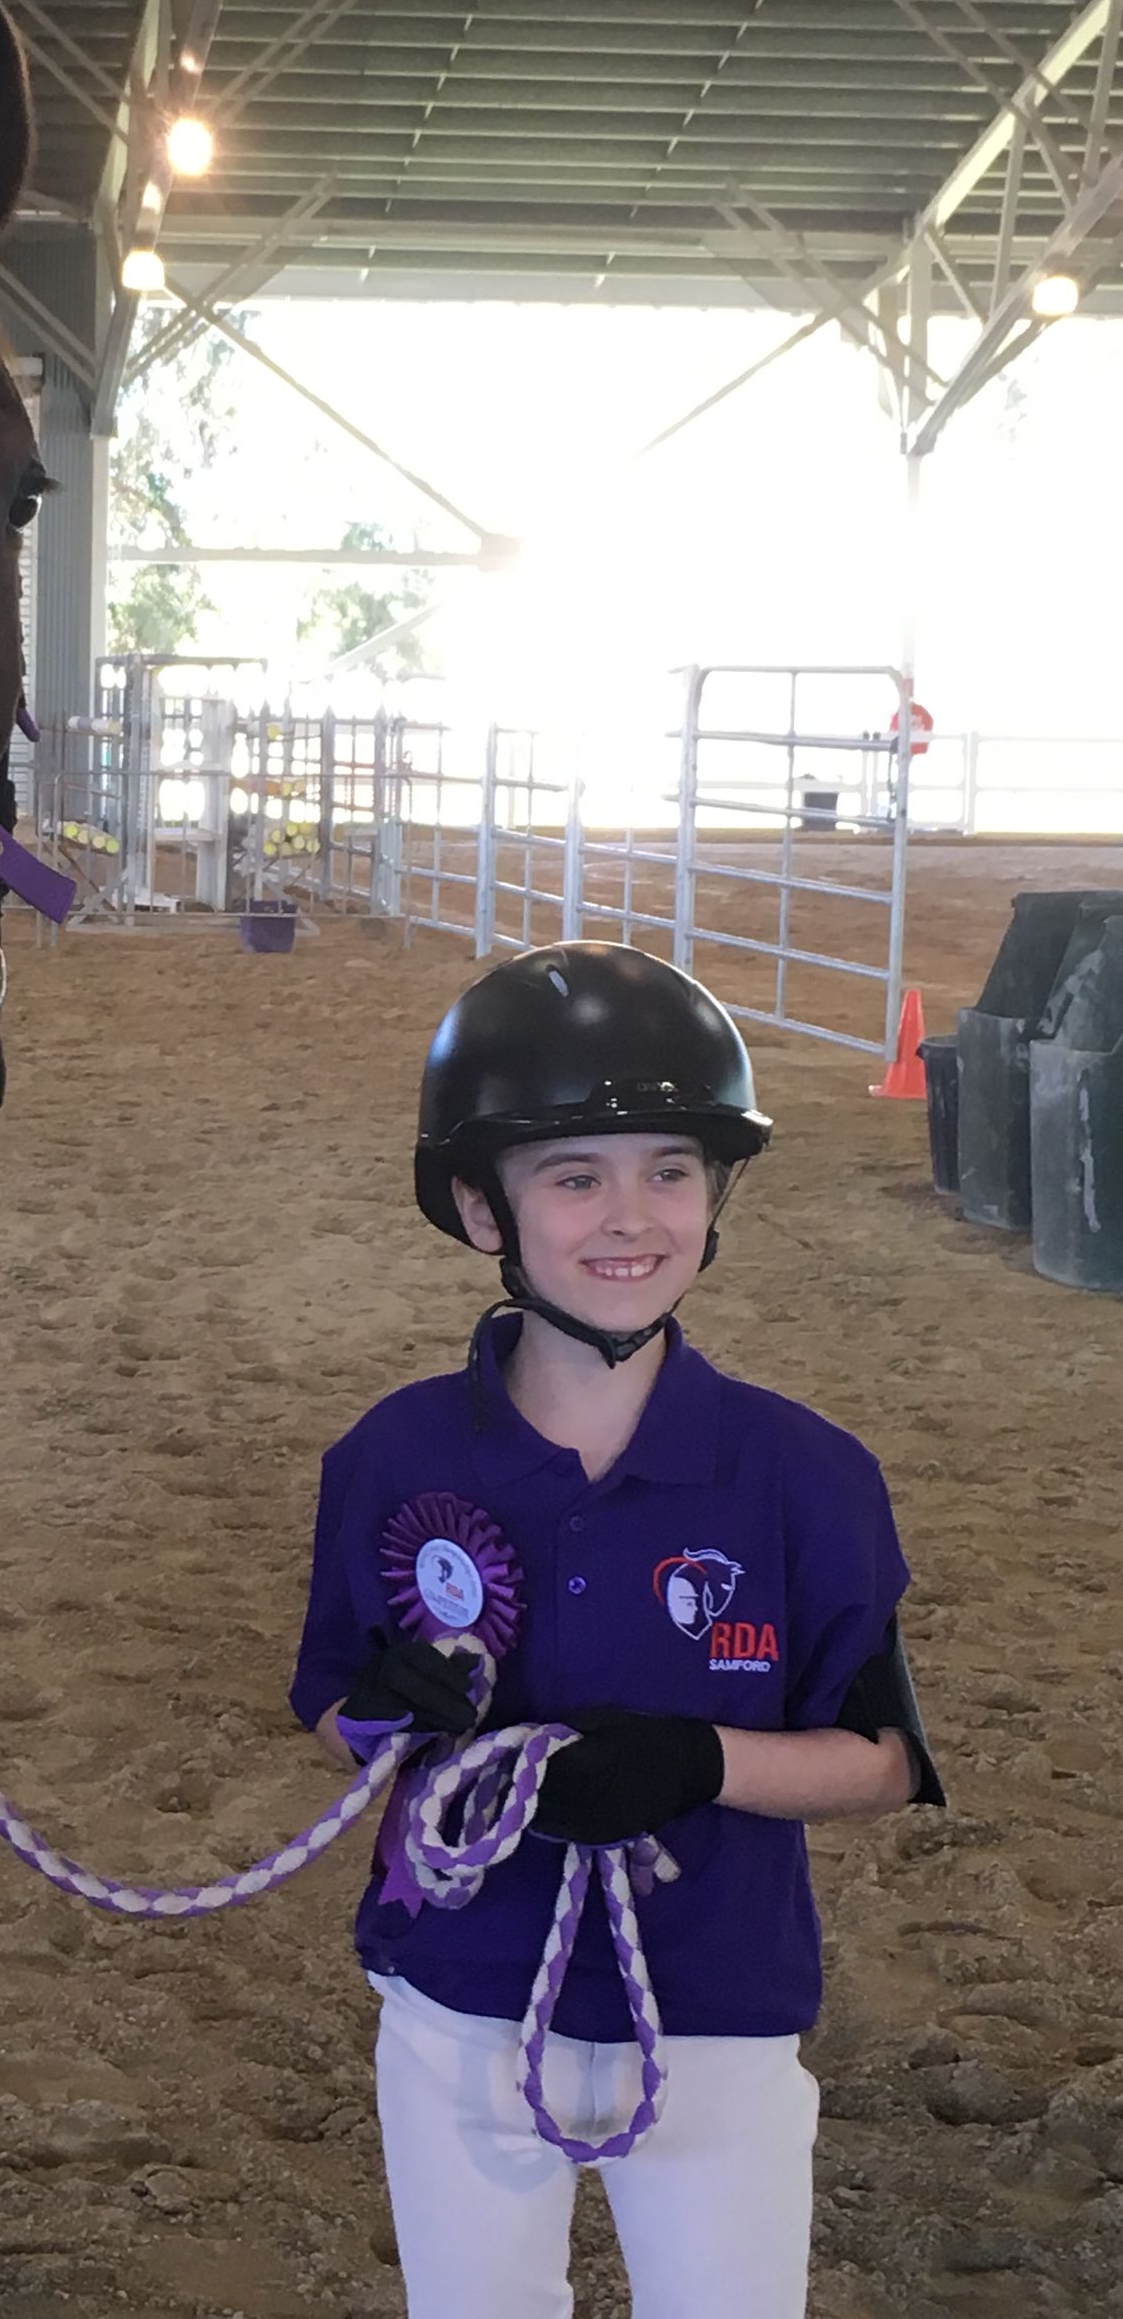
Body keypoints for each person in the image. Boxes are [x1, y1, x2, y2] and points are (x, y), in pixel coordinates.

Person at [290, 942, 940, 2319]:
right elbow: (335, 1708)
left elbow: (881, 1759)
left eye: (671, 1171)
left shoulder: (809, 1476)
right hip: (461, 1998)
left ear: (717, 1194)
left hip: (716, 2011)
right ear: (482, 1206)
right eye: (574, 1176)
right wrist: (387, 1711)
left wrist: (703, 1765)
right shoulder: (391, 1459)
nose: (628, 1217)